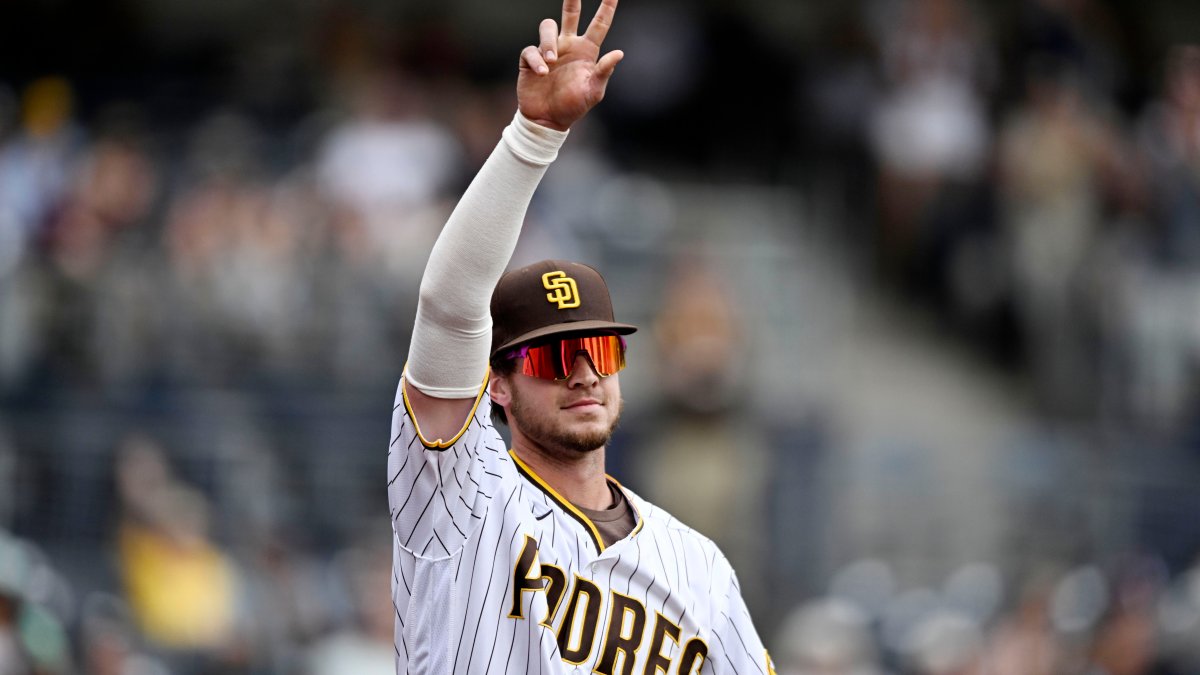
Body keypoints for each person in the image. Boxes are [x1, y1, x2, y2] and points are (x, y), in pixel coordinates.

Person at [387, 0, 775, 672]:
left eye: (598, 350)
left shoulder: (697, 564)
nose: (583, 373)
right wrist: (532, 137)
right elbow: (449, 306)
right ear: (497, 383)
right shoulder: (462, 493)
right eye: (553, 354)